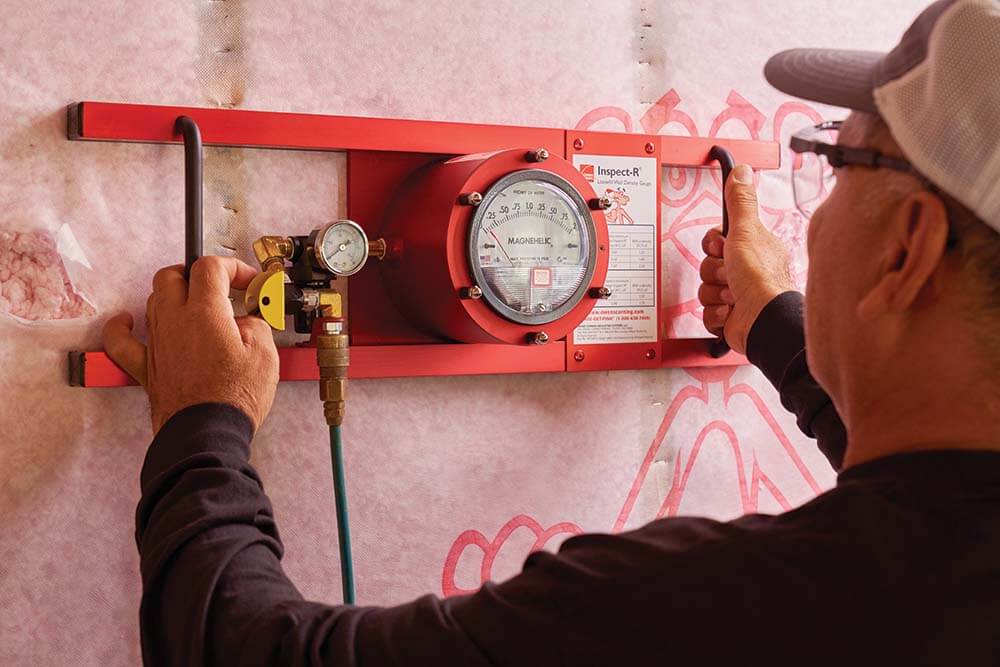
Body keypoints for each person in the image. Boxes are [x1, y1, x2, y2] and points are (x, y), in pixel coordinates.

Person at [103, 1, 1000, 664]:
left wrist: (203, 424)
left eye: (836, 161)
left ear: (907, 249)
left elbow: (249, 654)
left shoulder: (693, 608)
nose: (815, 208)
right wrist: (772, 324)